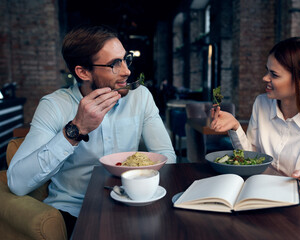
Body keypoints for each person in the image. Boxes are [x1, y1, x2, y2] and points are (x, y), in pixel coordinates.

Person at [7, 25, 176, 237]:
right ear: (83, 72)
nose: (127, 71)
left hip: (133, 203)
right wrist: (76, 129)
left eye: (125, 59)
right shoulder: (54, 105)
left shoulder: (140, 97)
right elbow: (17, 183)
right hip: (73, 210)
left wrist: (140, 189)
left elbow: (167, 157)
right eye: (115, 64)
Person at [211, 37, 300, 201]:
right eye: (267, 70)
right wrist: (234, 127)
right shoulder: (262, 103)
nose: (265, 78)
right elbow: (251, 158)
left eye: (274, 74)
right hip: (259, 196)